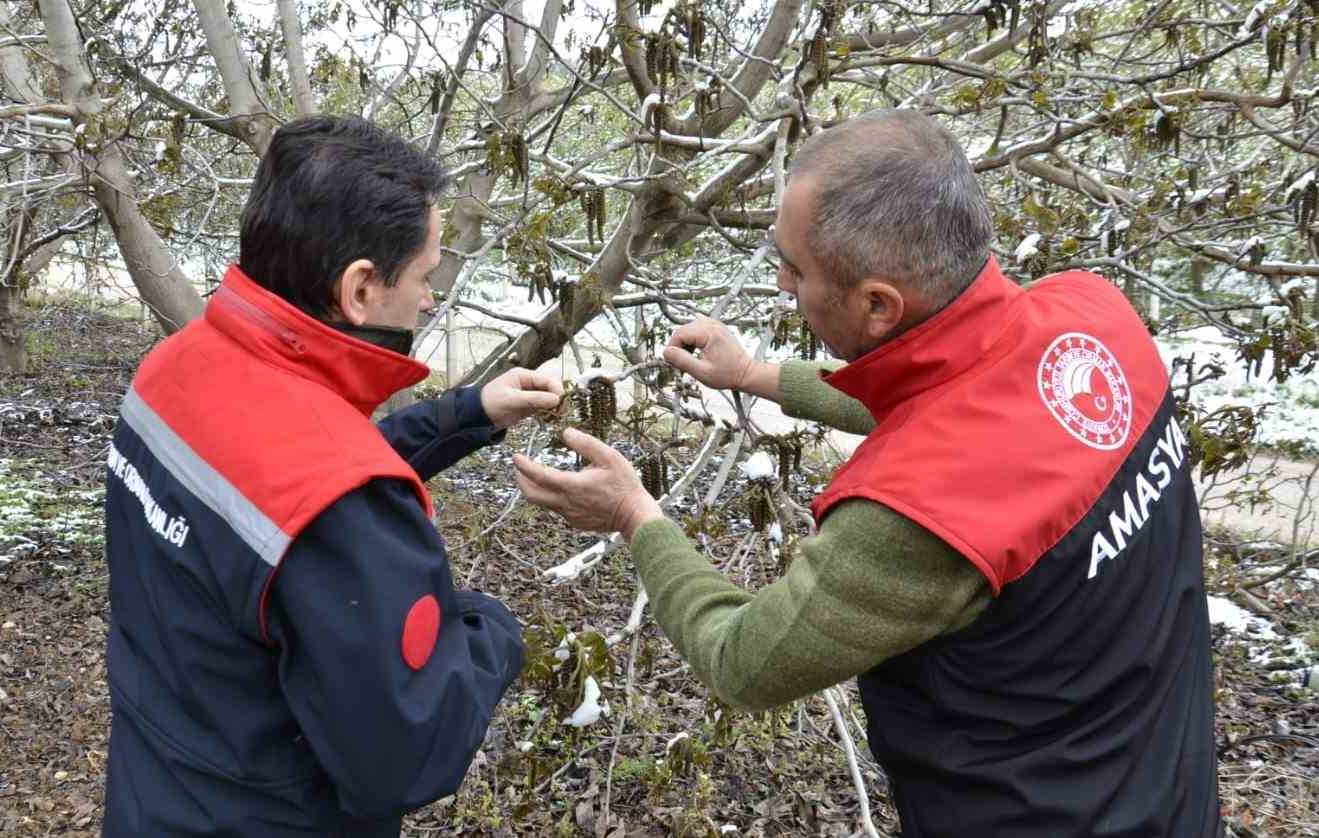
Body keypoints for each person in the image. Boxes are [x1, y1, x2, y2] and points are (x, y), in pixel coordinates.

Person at [513, 109, 1221, 837]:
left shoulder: (912, 517)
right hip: (1174, 793)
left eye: (796, 268)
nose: (783, 284)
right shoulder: (1093, 320)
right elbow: (948, 392)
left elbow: (742, 660)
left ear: (878, 305)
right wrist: (754, 375)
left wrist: (635, 514)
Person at [102, 115, 561, 836]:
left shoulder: (177, 368)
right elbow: (407, 757)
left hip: (151, 792)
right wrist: (489, 627)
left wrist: (470, 413)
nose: (430, 298)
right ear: (360, 289)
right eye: (425, 274)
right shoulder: (337, 504)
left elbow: (288, 478)